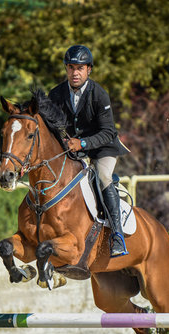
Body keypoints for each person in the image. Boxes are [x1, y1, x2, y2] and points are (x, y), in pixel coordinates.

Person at [48, 45, 130, 257]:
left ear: (89, 70)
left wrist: (82, 144)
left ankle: (117, 236)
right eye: (71, 67)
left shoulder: (99, 94)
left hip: (103, 148)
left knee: (103, 177)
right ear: (66, 69)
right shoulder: (56, 94)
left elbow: (108, 132)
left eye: (80, 68)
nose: (75, 73)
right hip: (74, 149)